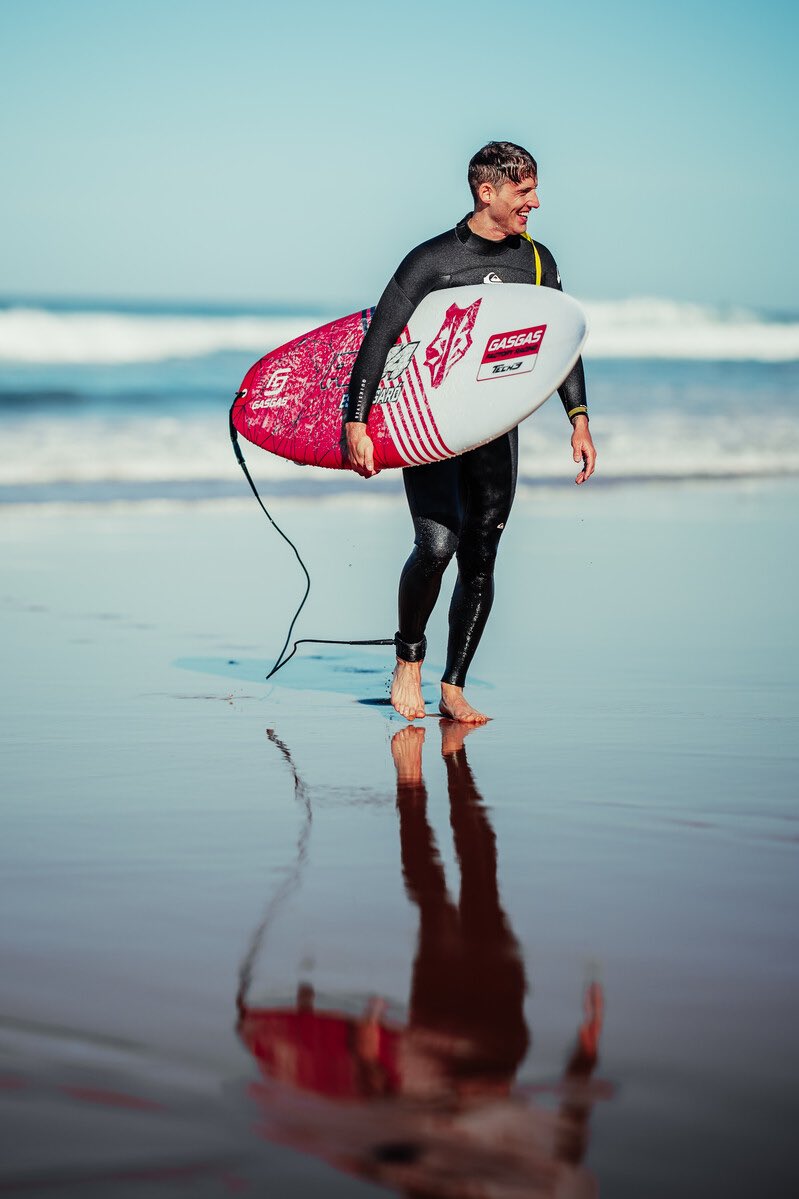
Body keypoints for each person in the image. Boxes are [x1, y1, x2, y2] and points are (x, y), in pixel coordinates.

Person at [345, 141, 596, 724]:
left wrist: (578, 420)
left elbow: (561, 346)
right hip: (433, 426)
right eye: (524, 190)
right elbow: (379, 340)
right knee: (436, 547)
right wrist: (357, 422)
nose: (535, 201)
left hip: (495, 431)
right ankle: (409, 658)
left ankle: (452, 686)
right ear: (489, 192)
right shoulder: (431, 262)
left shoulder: (537, 262)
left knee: (481, 555)